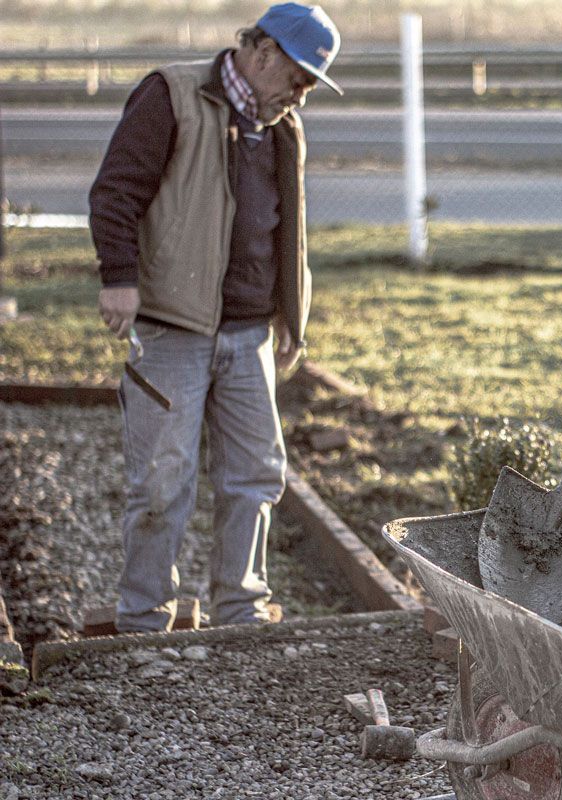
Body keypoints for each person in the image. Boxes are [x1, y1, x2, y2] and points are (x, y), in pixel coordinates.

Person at [89, 2, 342, 633]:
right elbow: (114, 194)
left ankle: (241, 615)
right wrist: (119, 279)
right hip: (174, 327)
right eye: (301, 75)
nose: (303, 93)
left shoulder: (282, 124)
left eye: (312, 82)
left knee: (255, 476)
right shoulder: (169, 95)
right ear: (261, 53)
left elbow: (288, 228)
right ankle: (143, 621)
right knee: (160, 484)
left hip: (250, 332)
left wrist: (292, 313)